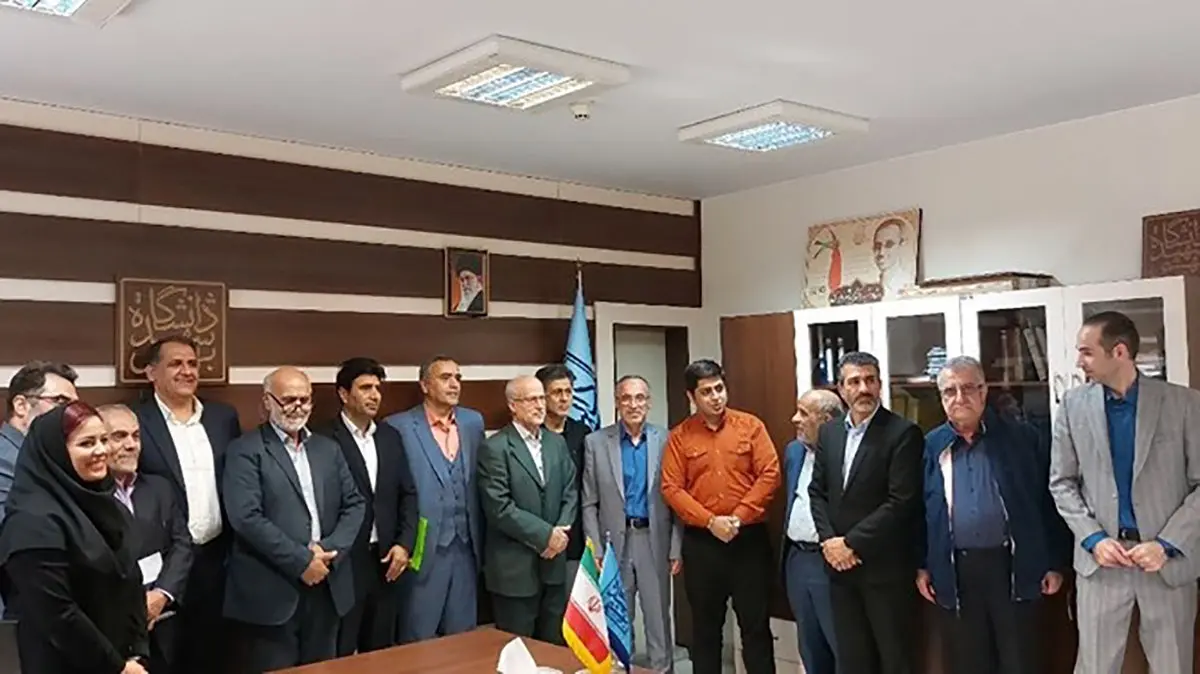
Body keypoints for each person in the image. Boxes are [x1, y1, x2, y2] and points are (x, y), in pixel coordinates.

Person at [1050, 311, 1200, 674]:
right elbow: (1062, 482)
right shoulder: (1072, 405)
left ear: (1119, 352)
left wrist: (1167, 544)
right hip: (1101, 562)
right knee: (1095, 667)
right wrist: (1094, 539)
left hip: (1167, 563)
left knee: (1173, 666)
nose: (1078, 362)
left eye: (1086, 352)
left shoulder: (1184, 404)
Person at [917, 357, 1069, 674]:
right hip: (956, 569)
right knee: (968, 661)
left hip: (1012, 565)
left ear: (984, 391)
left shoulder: (1021, 438)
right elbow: (920, 512)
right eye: (949, 391)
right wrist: (923, 565)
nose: (959, 398)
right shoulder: (931, 445)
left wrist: (1054, 562)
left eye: (968, 388)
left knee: (1020, 659)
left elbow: (1046, 502)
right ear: (941, 398)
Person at [222, 366, 366, 671]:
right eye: (288, 399)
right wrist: (302, 561)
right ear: (267, 401)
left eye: (304, 399)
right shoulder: (245, 451)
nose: (298, 407)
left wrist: (327, 551)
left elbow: (355, 504)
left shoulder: (328, 449)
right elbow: (246, 518)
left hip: (327, 584)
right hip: (272, 592)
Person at [0, 402, 149, 674]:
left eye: (104, 440)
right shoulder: (32, 521)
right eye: (87, 443)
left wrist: (137, 651)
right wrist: (117, 666)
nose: (101, 450)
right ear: (56, 453)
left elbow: (131, 580)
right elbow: (57, 614)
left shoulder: (105, 504)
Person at [660, 359, 780, 674]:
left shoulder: (751, 426)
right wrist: (710, 522)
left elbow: (769, 474)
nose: (716, 397)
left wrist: (738, 517)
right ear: (692, 397)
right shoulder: (680, 436)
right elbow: (671, 488)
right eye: (706, 392)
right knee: (705, 629)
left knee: (755, 626)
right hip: (703, 544)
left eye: (719, 388)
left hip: (748, 540)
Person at [808, 351, 922, 674]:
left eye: (870, 380)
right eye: (854, 382)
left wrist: (851, 544)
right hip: (840, 572)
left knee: (895, 661)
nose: (863, 389)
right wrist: (830, 543)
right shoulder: (830, 433)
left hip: (884, 573)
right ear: (841, 389)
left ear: (880, 385)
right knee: (853, 661)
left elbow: (901, 502)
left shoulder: (902, 433)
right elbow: (817, 492)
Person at [134, 335, 241, 674]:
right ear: (151, 372)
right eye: (176, 364)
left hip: (217, 557)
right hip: (163, 564)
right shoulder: (136, 421)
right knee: (166, 657)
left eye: (193, 364)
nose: (187, 371)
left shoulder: (223, 418)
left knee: (214, 655)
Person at [317, 357, 418, 655]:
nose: (374, 395)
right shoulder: (322, 438)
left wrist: (404, 544)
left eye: (377, 388)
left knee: (380, 649)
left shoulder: (390, 436)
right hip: (344, 560)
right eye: (365, 388)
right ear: (343, 394)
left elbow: (408, 494)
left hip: (386, 559)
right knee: (342, 649)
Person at [582, 374, 681, 673]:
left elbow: (678, 498)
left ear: (649, 402)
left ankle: (661, 670)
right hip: (614, 544)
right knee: (617, 618)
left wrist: (676, 547)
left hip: (654, 540)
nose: (633, 404)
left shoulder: (667, 440)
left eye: (639, 398)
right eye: (626, 398)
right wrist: (596, 548)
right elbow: (589, 501)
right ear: (617, 403)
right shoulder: (596, 442)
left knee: (658, 619)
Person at [384, 355, 486, 643]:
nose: (454, 384)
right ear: (425, 385)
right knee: (418, 636)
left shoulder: (473, 422)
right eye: (445, 378)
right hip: (423, 548)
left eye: (458, 378)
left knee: (463, 638)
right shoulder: (399, 426)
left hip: (466, 546)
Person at [478, 375, 578, 643]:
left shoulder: (556, 443)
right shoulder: (495, 447)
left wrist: (560, 532)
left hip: (554, 567)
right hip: (515, 571)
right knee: (517, 649)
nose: (540, 405)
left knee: (553, 647)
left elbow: (570, 491)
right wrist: (546, 536)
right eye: (531, 399)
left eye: (541, 398)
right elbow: (499, 507)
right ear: (513, 405)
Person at [100, 404, 194, 674]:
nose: (131, 445)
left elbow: (182, 544)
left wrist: (161, 595)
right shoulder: (87, 497)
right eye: (119, 436)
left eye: (136, 436)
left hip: (164, 622)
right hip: (110, 631)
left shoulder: (159, 488)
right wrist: (133, 608)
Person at [782, 389, 843, 674]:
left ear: (827, 420)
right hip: (797, 559)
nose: (795, 419)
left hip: (831, 561)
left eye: (804, 413)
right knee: (809, 645)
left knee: (841, 644)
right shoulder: (794, 452)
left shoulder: (846, 454)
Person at [1, 361, 79, 518]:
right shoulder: (4, 461)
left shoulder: (45, 455)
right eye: (60, 402)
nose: (71, 413)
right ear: (21, 405)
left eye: (74, 406)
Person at [535, 363, 590, 578]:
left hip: (576, 537)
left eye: (568, 391)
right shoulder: (532, 434)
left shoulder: (583, 433)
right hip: (541, 536)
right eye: (557, 392)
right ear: (542, 397)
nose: (564, 398)